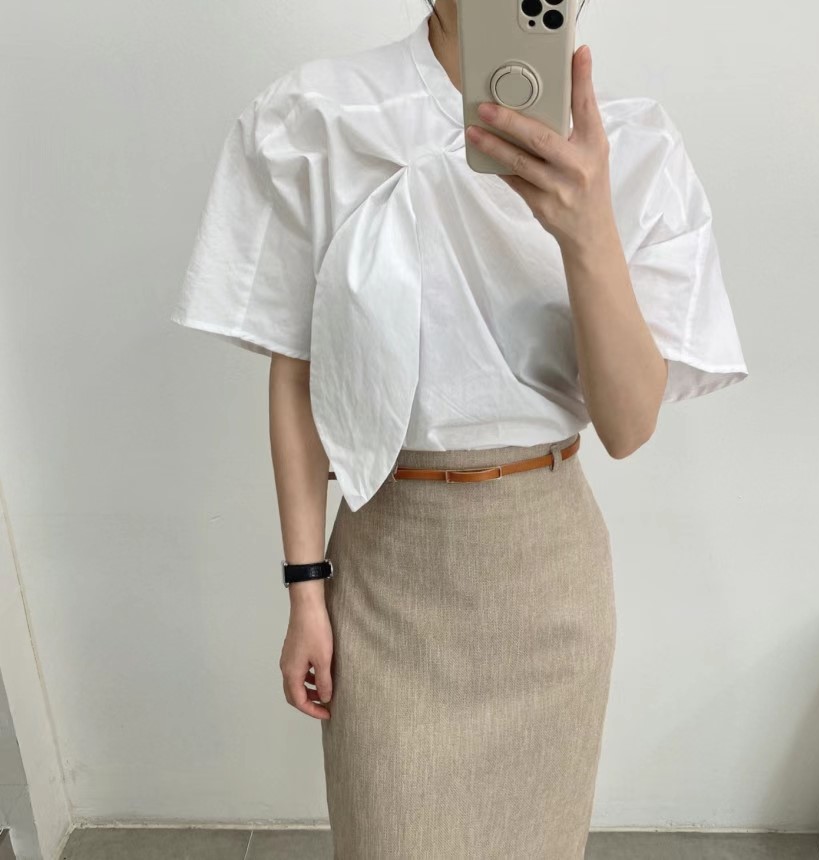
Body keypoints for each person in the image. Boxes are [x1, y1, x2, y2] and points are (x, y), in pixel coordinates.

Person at [170, 0, 749, 856]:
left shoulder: (637, 148)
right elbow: (297, 373)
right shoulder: (319, 119)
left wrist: (588, 228)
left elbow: (627, 428)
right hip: (389, 572)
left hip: (550, 584)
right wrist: (305, 590)